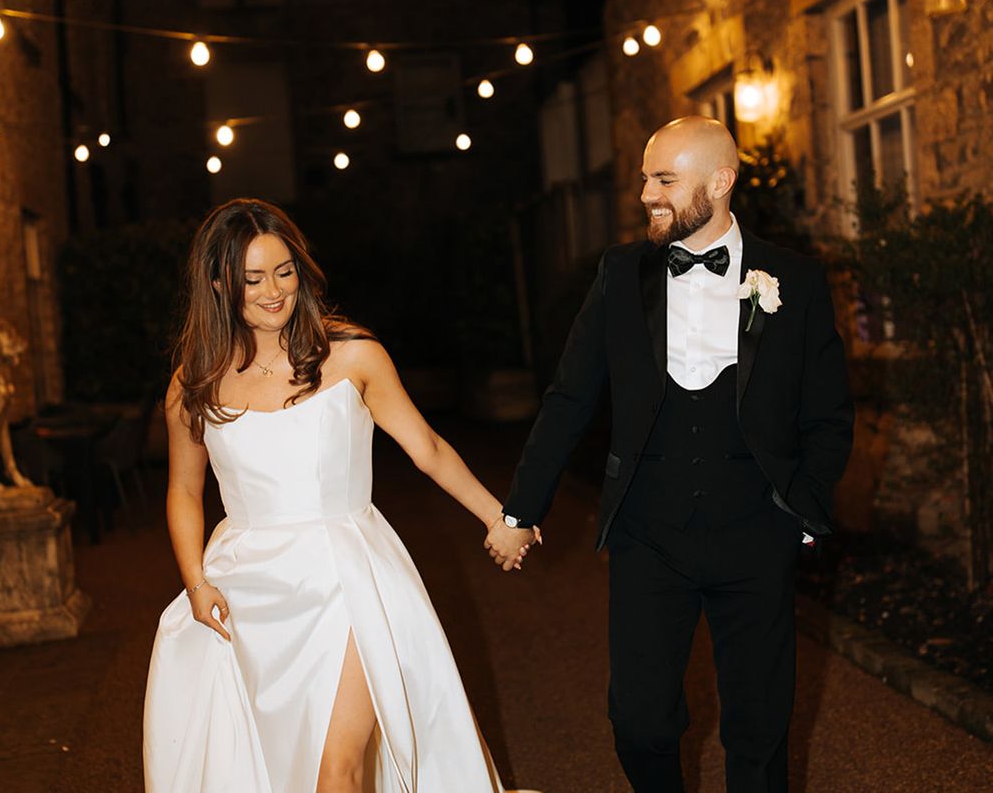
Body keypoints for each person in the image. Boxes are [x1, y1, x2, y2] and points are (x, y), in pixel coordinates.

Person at [485, 117, 854, 792]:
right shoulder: (620, 274)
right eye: (645, 179)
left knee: (760, 727)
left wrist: (803, 509)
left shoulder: (793, 279)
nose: (646, 194)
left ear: (719, 182)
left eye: (664, 180)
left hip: (756, 530)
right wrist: (519, 510)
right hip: (648, 534)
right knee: (641, 723)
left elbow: (829, 413)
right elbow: (570, 397)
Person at [144, 198, 532, 793]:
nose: (273, 290)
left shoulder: (353, 356)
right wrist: (196, 581)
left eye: (284, 271)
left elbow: (426, 446)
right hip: (246, 589)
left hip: (351, 576)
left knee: (337, 768)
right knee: (276, 766)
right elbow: (183, 491)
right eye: (252, 278)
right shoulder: (194, 382)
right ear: (220, 284)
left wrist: (498, 518)